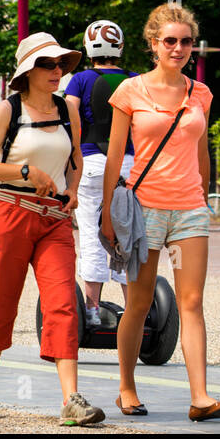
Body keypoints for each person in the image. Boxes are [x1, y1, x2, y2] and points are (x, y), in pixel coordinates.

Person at [0, 32, 104, 426]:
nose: (57, 70)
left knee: (62, 303)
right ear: (27, 70)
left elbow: (76, 156)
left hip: (56, 220)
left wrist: (74, 190)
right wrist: (24, 171)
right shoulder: (8, 110)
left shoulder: (67, 109)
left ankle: (71, 400)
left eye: (61, 63)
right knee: (1, 302)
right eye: (48, 64)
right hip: (11, 212)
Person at [103, 4, 220, 421]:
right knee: (138, 303)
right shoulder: (130, 91)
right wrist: (105, 214)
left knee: (192, 301)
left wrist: (205, 200)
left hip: (189, 210)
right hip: (145, 211)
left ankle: (201, 397)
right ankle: (127, 387)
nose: (178, 47)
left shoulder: (201, 93)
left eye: (186, 41)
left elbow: (202, 154)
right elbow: (116, 156)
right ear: (153, 43)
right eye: (169, 40)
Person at [64, 20, 136, 327]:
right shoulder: (135, 81)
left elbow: (70, 121)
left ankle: (91, 310)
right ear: (120, 47)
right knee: (126, 236)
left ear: (87, 46)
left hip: (91, 164)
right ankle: (135, 311)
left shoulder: (79, 80)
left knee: (93, 238)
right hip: (129, 165)